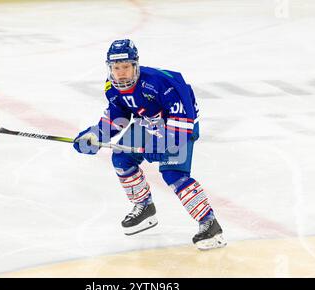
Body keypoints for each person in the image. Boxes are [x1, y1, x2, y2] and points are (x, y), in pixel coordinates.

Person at [73, 39, 226, 250]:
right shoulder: (112, 87)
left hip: (180, 126)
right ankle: (144, 207)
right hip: (149, 123)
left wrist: (165, 143)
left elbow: (184, 117)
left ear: (135, 65)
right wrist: (95, 135)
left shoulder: (160, 83)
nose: (121, 73)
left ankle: (210, 224)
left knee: (174, 174)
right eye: (116, 68)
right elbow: (118, 116)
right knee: (121, 158)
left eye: (126, 66)